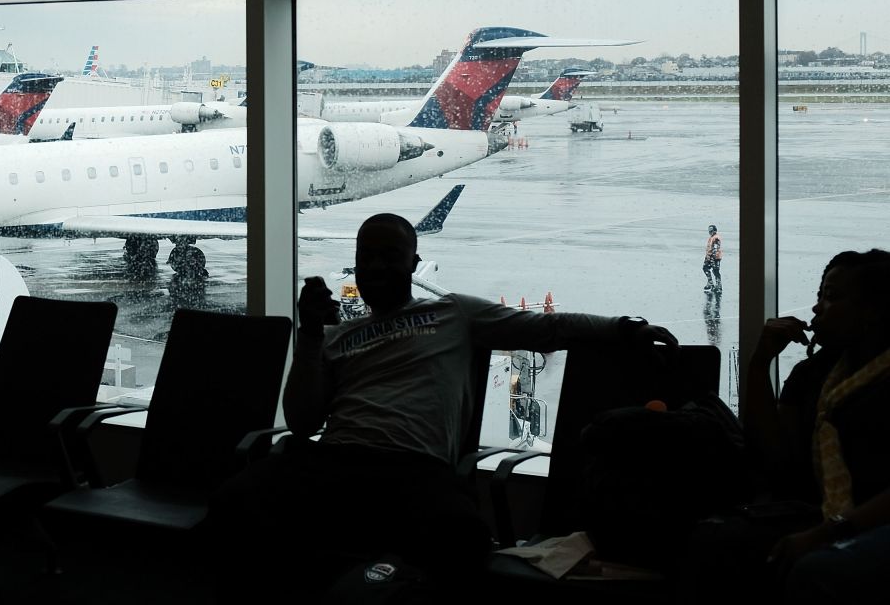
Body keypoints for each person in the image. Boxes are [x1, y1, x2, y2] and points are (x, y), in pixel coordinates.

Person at [207, 212, 677, 603]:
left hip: (415, 468)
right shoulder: (335, 337)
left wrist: (622, 328)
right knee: (231, 504)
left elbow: (547, 328)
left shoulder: (455, 313)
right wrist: (309, 336)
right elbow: (305, 420)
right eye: (365, 256)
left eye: (389, 256)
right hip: (336, 458)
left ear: (414, 263)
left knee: (463, 543)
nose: (375, 266)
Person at [680, 248, 890, 603]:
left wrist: (826, 533)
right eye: (819, 296)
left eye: (832, 297)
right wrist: (760, 364)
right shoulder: (812, 375)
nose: (816, 310)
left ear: (874, 312)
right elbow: (775, 461)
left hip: (871, 524)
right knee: (710, 540)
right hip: (818, 513)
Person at [703, 224, 723, 292]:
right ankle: (710, 283)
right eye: (709, 231)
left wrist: (712, 258)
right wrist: (707, 256)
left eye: (711, 230)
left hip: (715, 257)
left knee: (715, 271)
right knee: (705, 268)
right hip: (709, 256)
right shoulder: (711, 237)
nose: (710, 232)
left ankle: (718, 285)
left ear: (714, 230)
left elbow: (715, 249)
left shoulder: (716, 238)